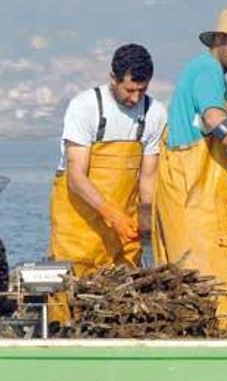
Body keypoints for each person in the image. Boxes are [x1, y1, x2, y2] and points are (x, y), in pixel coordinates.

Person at [152, 6, 227, 334]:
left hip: (194, 188)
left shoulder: (207, 74)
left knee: (191, 276)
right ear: (218, 38)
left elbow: (204, 144)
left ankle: (204, 335)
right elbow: (213, 120)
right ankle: (215, 339)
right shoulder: (207, 70)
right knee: (204, 274)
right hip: (191, 195)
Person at [49, 43, 167, 277]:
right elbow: (76, 177)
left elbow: (148, 179)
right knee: (69, 287)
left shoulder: (155, 113)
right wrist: (113, 216)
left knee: (125, 289)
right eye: (129, 90)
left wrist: (146, 223)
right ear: (113, 77)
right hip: (78, 226)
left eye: (142, 90)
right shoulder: (85, 107)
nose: (135, 98)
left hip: (125, 230)